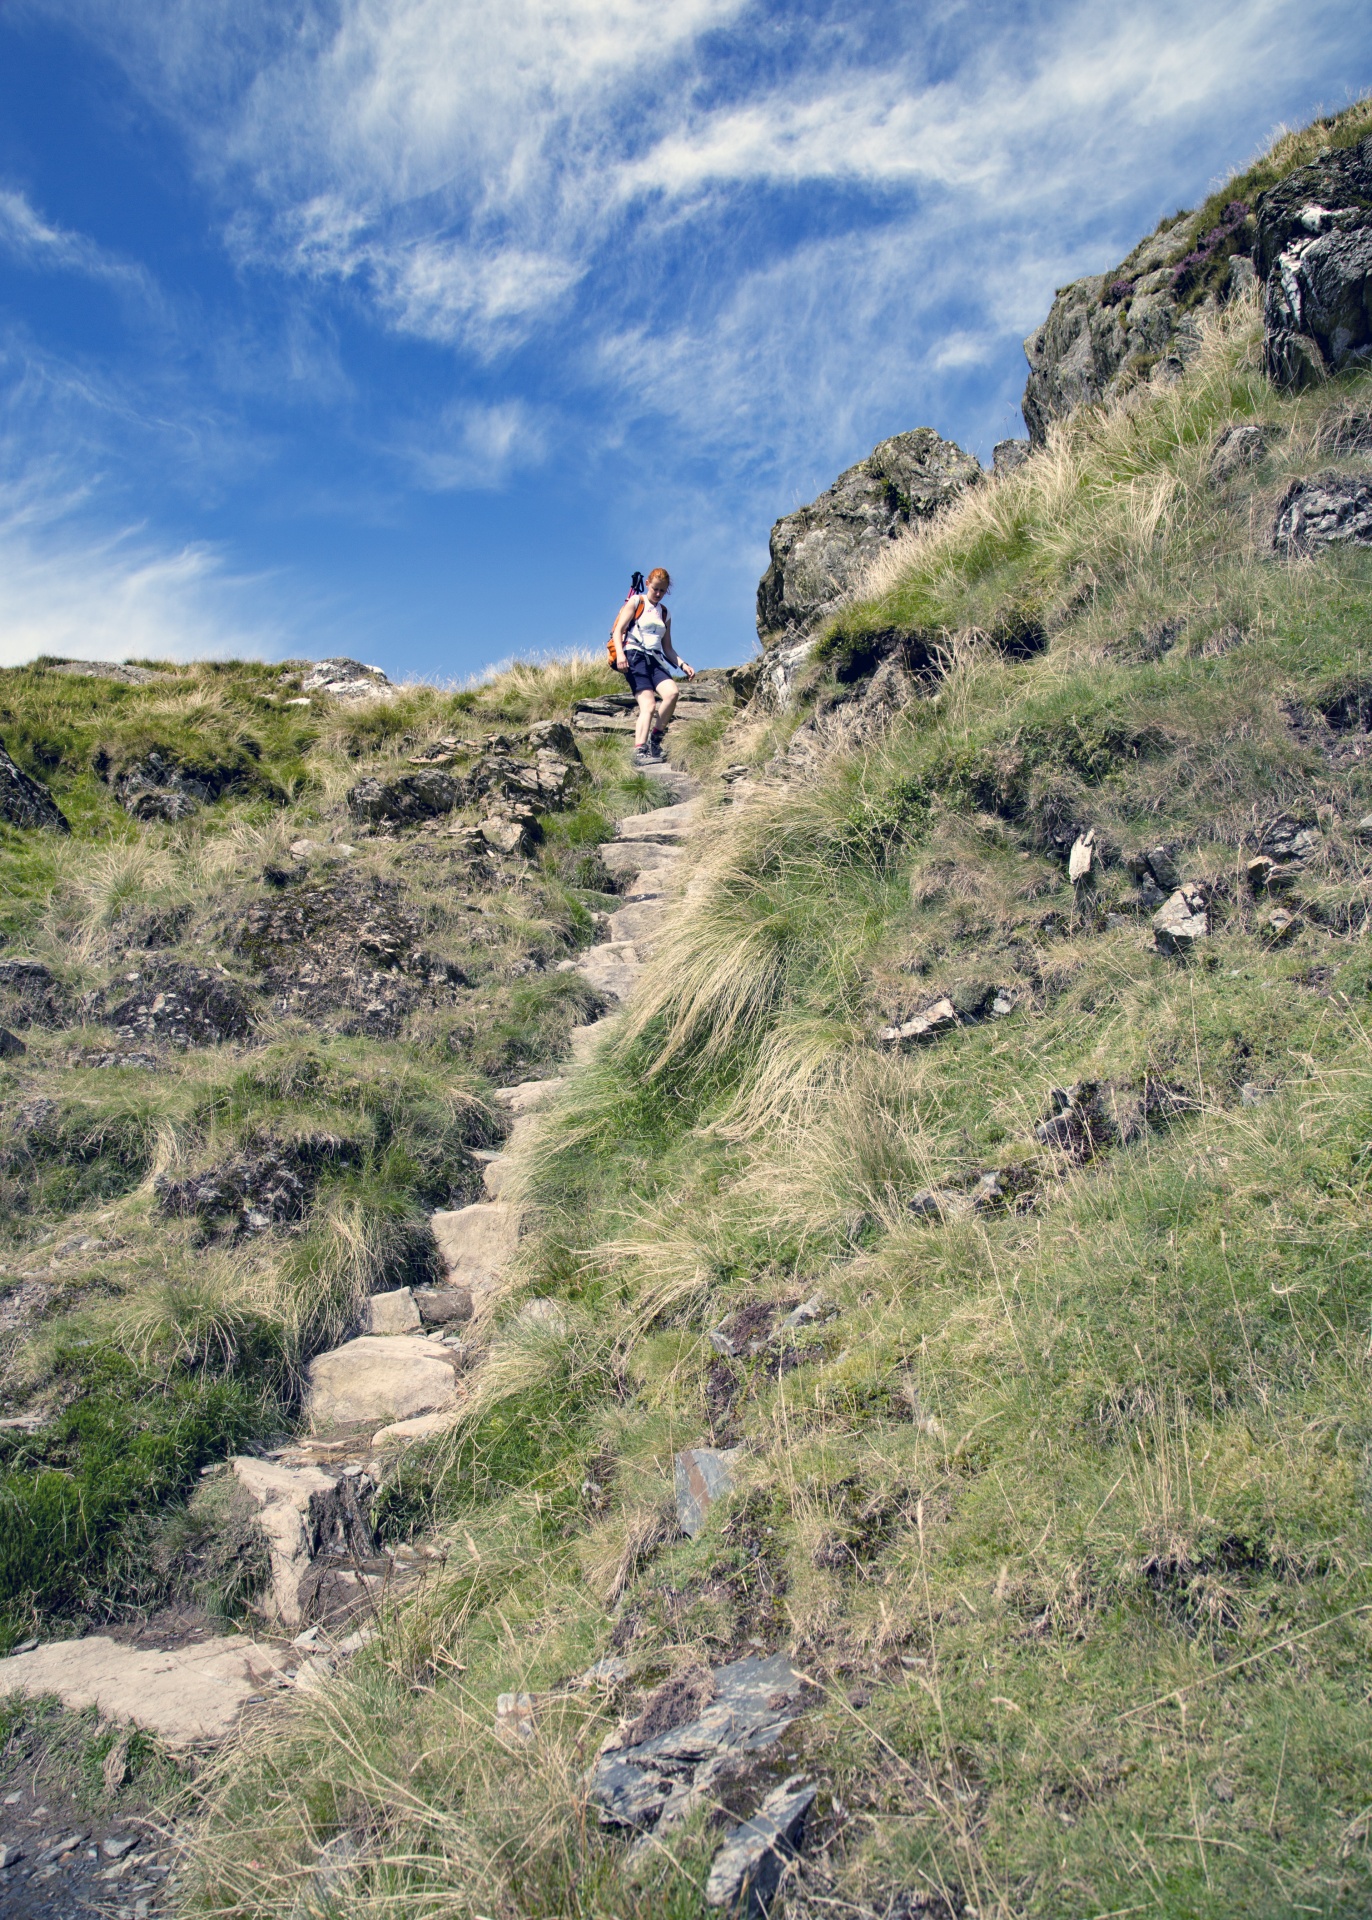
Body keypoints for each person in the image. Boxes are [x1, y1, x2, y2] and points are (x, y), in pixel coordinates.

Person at [611, 567, 695, 765]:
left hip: (655, 660)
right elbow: (617, 631)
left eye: (662, 591)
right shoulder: (636, 602)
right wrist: (621, 655)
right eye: (655, 589)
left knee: (672, 693)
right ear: (647, 584)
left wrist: (683, 664)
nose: (658, 594)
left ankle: (656, 739)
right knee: (648, 704)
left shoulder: (664, 613)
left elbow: (668, 647)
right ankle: (639, 751)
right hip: (634, 656)